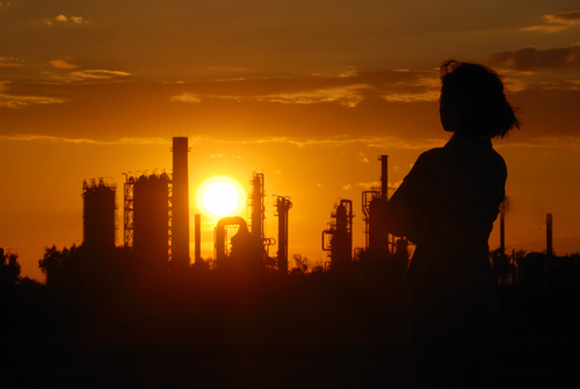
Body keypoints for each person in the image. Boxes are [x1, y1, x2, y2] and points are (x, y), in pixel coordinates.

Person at [382, 60, 520, 387]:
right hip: (478, 283)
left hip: (433, 284)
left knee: (435, 374)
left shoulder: (433, 163)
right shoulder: (494, 164)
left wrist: (423, 232)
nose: (440, 107)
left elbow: (389, 216)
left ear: (464, 107)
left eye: (446, 100)